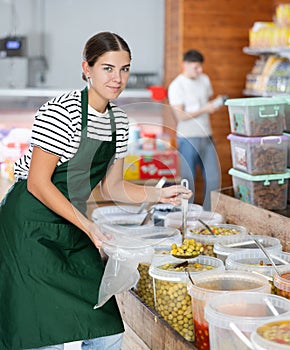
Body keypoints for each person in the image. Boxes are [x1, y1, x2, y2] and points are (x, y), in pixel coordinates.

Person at [0, 32, 192, 350]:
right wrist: (89, 225)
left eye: (124, 69)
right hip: (30, 231)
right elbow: (37, 183)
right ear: (86, 68)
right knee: (43, 336)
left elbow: (111, 186)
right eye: (107, 68)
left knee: (107, 331)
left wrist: (159, 194)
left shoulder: (119, 121)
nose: (117, 78)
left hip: (73, 230)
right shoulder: (62, 111)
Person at [168, 49, 223, 211]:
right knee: (188, 182)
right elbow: (180, 116)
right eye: (196, 67)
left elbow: (207, 102)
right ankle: (186, 217)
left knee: (214, 179)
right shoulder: (177, 86)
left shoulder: (204, 80)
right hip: (187, 138)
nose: (200, 71)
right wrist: (205, 108)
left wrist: (214, 105)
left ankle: (210, 216)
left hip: (207, 136)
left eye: (200, 67)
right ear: (185, 65)